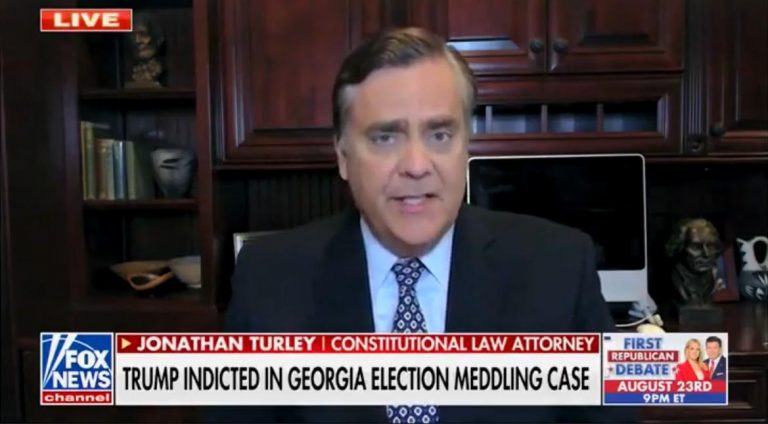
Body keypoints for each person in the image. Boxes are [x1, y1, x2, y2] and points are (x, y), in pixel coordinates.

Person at [217, 27, 633, 423]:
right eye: (385, 137)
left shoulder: (560, 268)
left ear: (466, 146)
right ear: (343, 156)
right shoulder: (268, 279)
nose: (416, 166)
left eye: (439, 135)